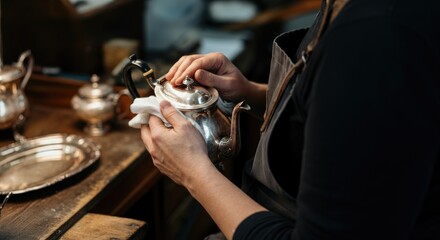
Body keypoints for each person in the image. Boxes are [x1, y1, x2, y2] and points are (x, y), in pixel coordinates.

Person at [138, 0, 440, 239]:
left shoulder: (377, 38)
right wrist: (252, 93)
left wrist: (195, 174)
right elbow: (346, 112)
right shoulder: (348, 11)